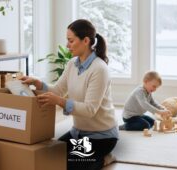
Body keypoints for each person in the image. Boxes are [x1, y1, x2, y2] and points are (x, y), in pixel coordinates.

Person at [20, 19, 118, 170]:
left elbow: (90, 110)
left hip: (102, 136)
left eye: (71, 41)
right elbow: (58, 90)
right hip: (77, 133)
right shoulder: (72, 64)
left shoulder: (99, 69)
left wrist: (60, 101)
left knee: (71, 165)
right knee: (48, 157)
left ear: (86, 41)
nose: (67, 45)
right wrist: (38, 83)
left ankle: (104, 158)